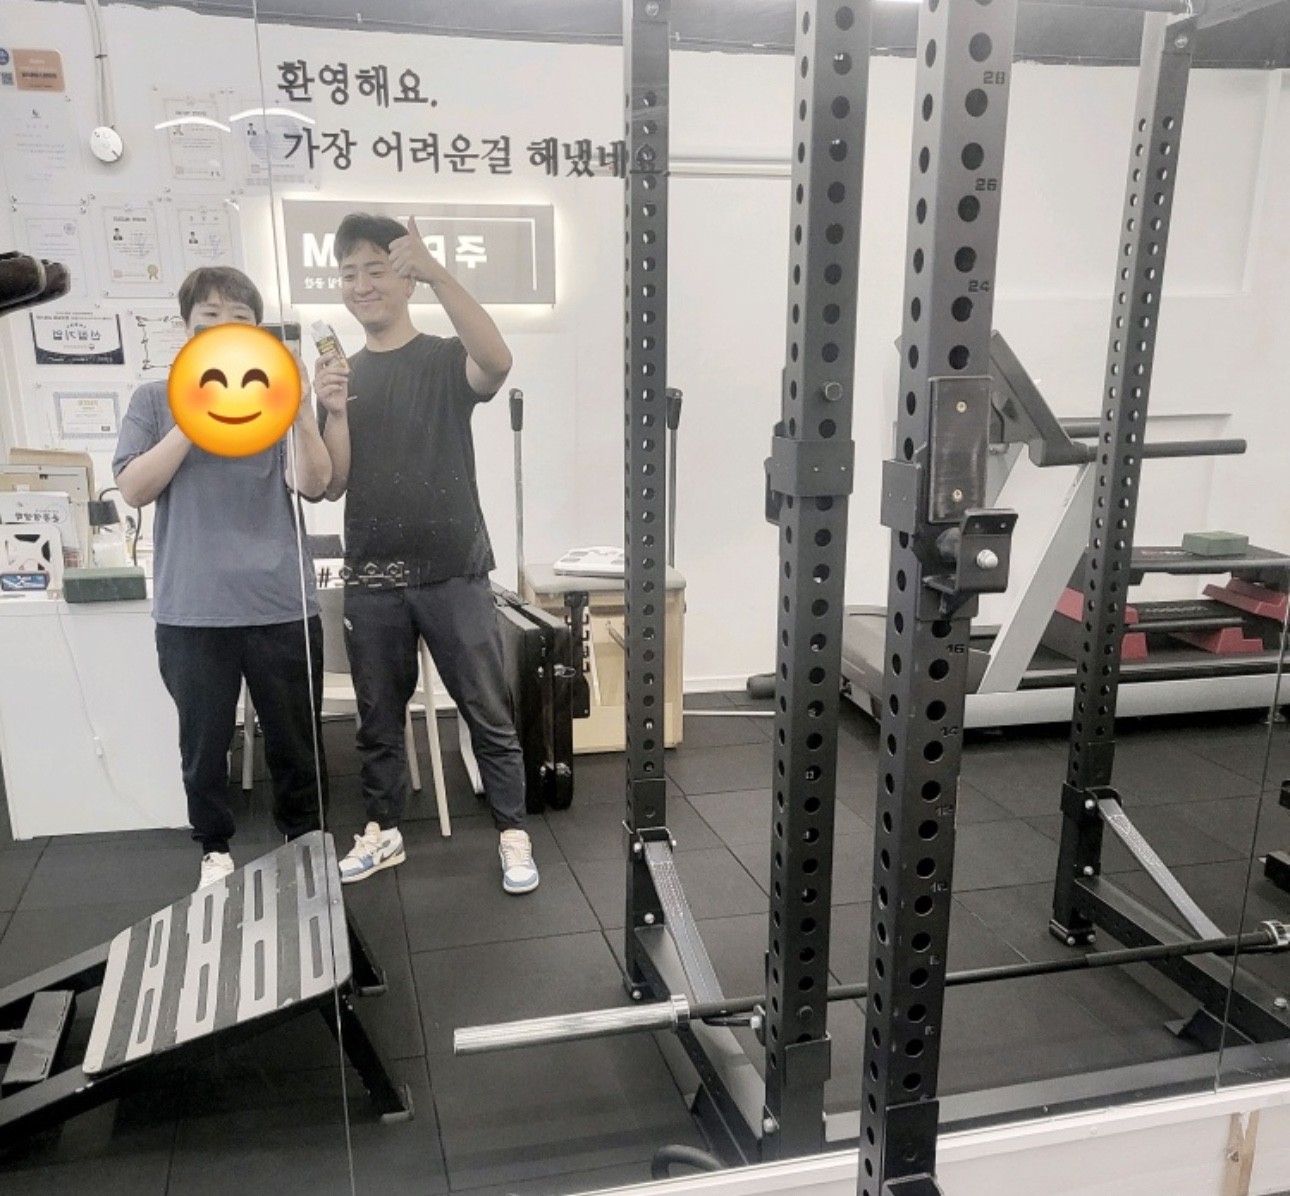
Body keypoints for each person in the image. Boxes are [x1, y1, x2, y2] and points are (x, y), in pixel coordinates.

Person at [314, 212, 538, 895]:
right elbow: (333, 483)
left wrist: (440, 273)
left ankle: (513, 832)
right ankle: (382, 830)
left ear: (404, 279)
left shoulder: (442, 358)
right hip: (372, 575)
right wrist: (332, 411)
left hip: (453, 570)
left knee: (487, 711)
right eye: (349, 273)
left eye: (375, 270)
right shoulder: (343, 375)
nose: (361, 284)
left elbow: (496, 361)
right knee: (378, 720)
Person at [113, 266, 333, 889]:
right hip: (193, 608)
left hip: (281, 603)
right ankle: (214, 848)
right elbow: (134, 488)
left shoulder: (273, 396)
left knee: (296, 743)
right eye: (208, 318)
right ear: (186, 329)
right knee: (204, 745)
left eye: (239, 319)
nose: (223, 328)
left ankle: (302, 841)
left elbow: (313, 484)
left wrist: (302, 413)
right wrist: (194, 417)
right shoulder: (153, 399)